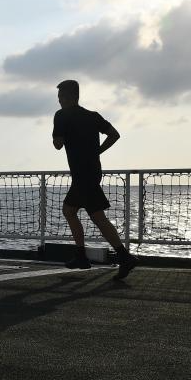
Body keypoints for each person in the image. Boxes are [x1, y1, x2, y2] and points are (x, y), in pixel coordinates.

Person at [51, 79, 139, 279]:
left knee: (81, 213)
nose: (59, 101)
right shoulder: (93, 116)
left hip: (81, 175)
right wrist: (97, 151)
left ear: (67, 97)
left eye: (60, 97)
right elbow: (114, 135)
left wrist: (59, 134)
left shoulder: (61, 115)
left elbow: (58, 144)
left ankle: (111, 257)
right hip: (92, 172)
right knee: (83, 213)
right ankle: (106, 256)